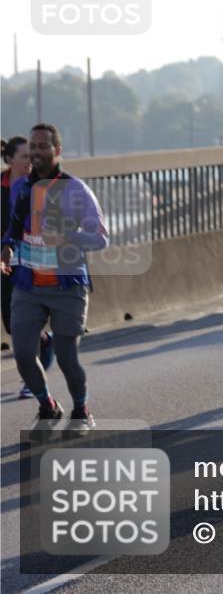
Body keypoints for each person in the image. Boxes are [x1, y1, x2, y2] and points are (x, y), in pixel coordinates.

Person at [1, 123, 109, 436]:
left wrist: (66, 237)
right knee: (22, 354)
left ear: (57, 151)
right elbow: (14, 229)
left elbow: (101, 239)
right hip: (27, 285)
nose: (35, 152)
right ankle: (47, 405)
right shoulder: (22, 189)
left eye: (42, 147)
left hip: (67, 285)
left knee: (67, 358)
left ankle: (81, 408)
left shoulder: (75, 190)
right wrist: (6, 247)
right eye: (32, 147)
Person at [2, 136, 55, 398]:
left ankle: (30, 380)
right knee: (12, 325)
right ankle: (46, 341)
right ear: (10, 159)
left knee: (26, 321)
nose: (29, 161)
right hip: (5, 263)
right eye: (24, 156)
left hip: (32, 261)